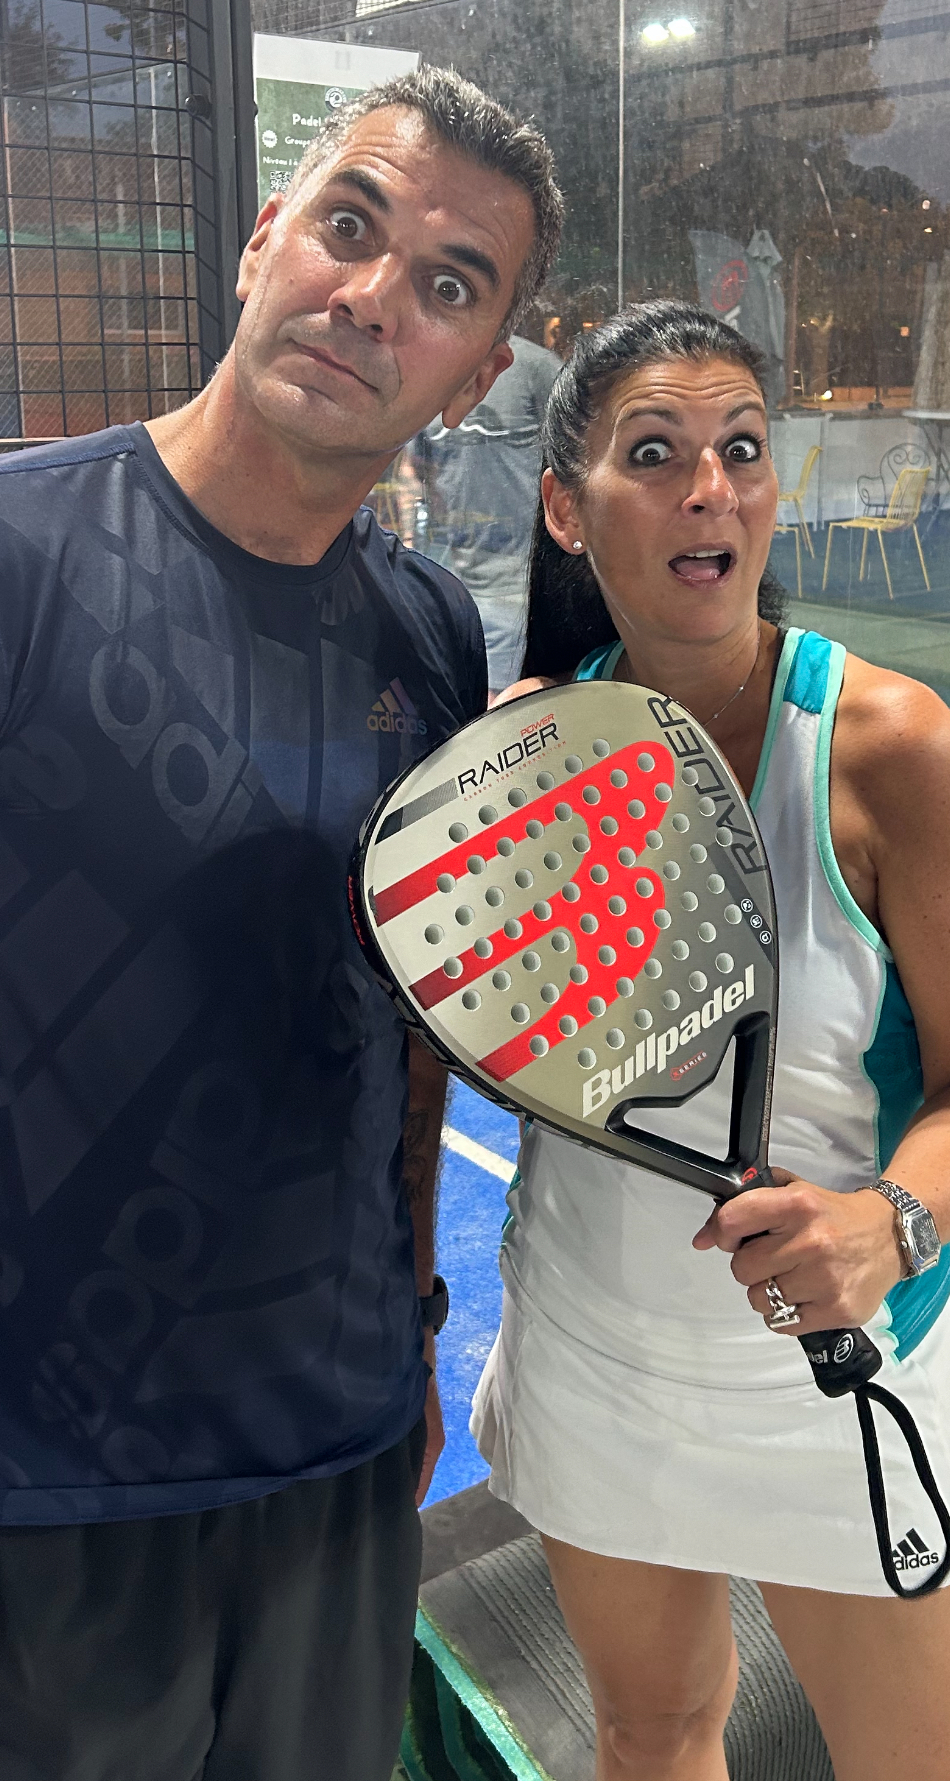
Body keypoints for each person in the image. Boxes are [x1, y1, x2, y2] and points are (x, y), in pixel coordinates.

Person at [0, 67, 561, 1781]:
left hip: (337, 1456)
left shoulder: (427, 632)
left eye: (448, 284)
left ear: (476, 376)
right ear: (262, 244)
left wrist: (408, 1329)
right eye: (349, 225)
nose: (374, 296)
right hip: (47, 1487)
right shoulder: (15, 554)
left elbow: (403, 1026)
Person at [471, 301, 950, 1781]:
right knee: (649, 1732)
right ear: (567, 509)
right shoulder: (523, 755)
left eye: (742, 449)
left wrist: (891, 1219)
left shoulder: (893, 748)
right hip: (594, 1354)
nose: (709, 490)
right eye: (654, 453)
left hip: (847, 1366)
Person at [410, 331, 560, 695]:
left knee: (499, 711)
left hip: (518, 591)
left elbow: (575, 466)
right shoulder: (426, 371)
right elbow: (422, 469)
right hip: (452, 587)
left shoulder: (536, 368)